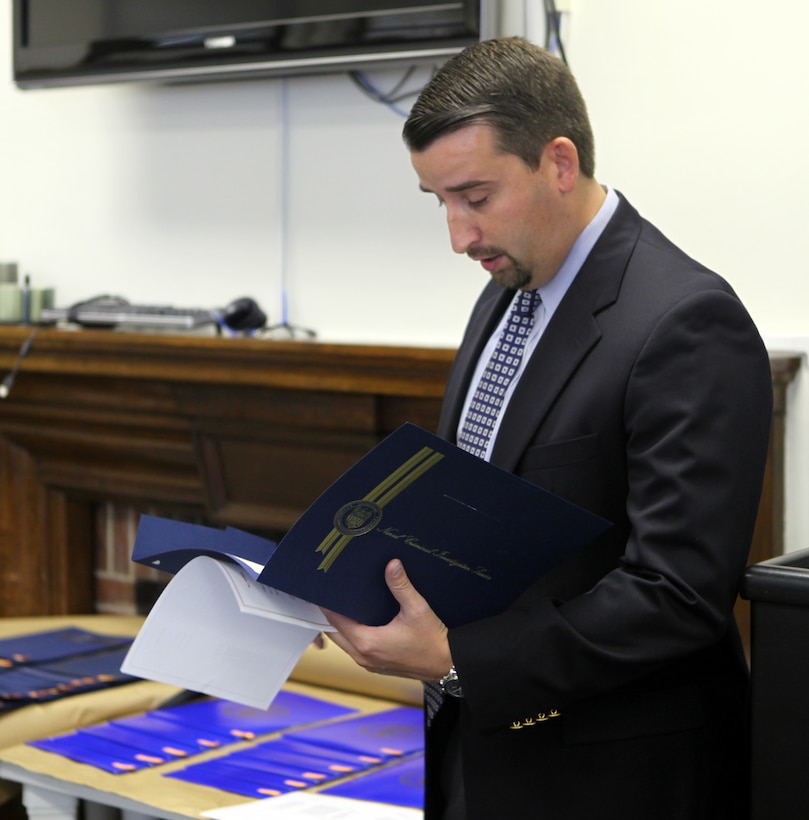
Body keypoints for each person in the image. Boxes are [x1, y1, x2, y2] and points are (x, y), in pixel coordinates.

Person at [323, 36, 773, 820]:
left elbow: (677, 593)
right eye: (440, 203)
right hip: (484, 753)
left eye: (475, 197)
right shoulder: (506, 288)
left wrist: (460, 659)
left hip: (615, 780)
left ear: (558, 163)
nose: (458, 237)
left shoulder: (685, 320)